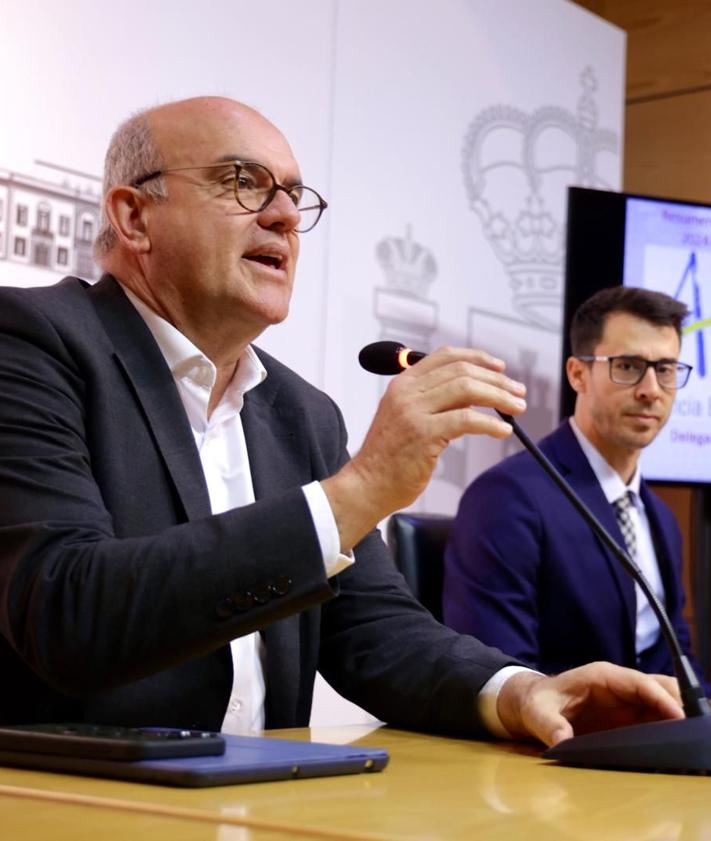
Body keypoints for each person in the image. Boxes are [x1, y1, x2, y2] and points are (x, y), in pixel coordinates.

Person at [0, 98, 685, 748]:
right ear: (134, 215)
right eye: (244, 183)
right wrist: (359, 490)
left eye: (293, 197)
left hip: (269, 807)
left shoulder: (300, 413)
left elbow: (373, 629)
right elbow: (65, 606)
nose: (283, 218)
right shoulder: (32, 342)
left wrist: (518, 691)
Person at [444, 286, 709, 693]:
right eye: (628, 365)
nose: (651, 389)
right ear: (577, 374)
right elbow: (497, 672)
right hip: (548, 747)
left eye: (666, 369)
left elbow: (675, 661)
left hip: (652, 746)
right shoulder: (507, 497)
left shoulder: (660, 519)